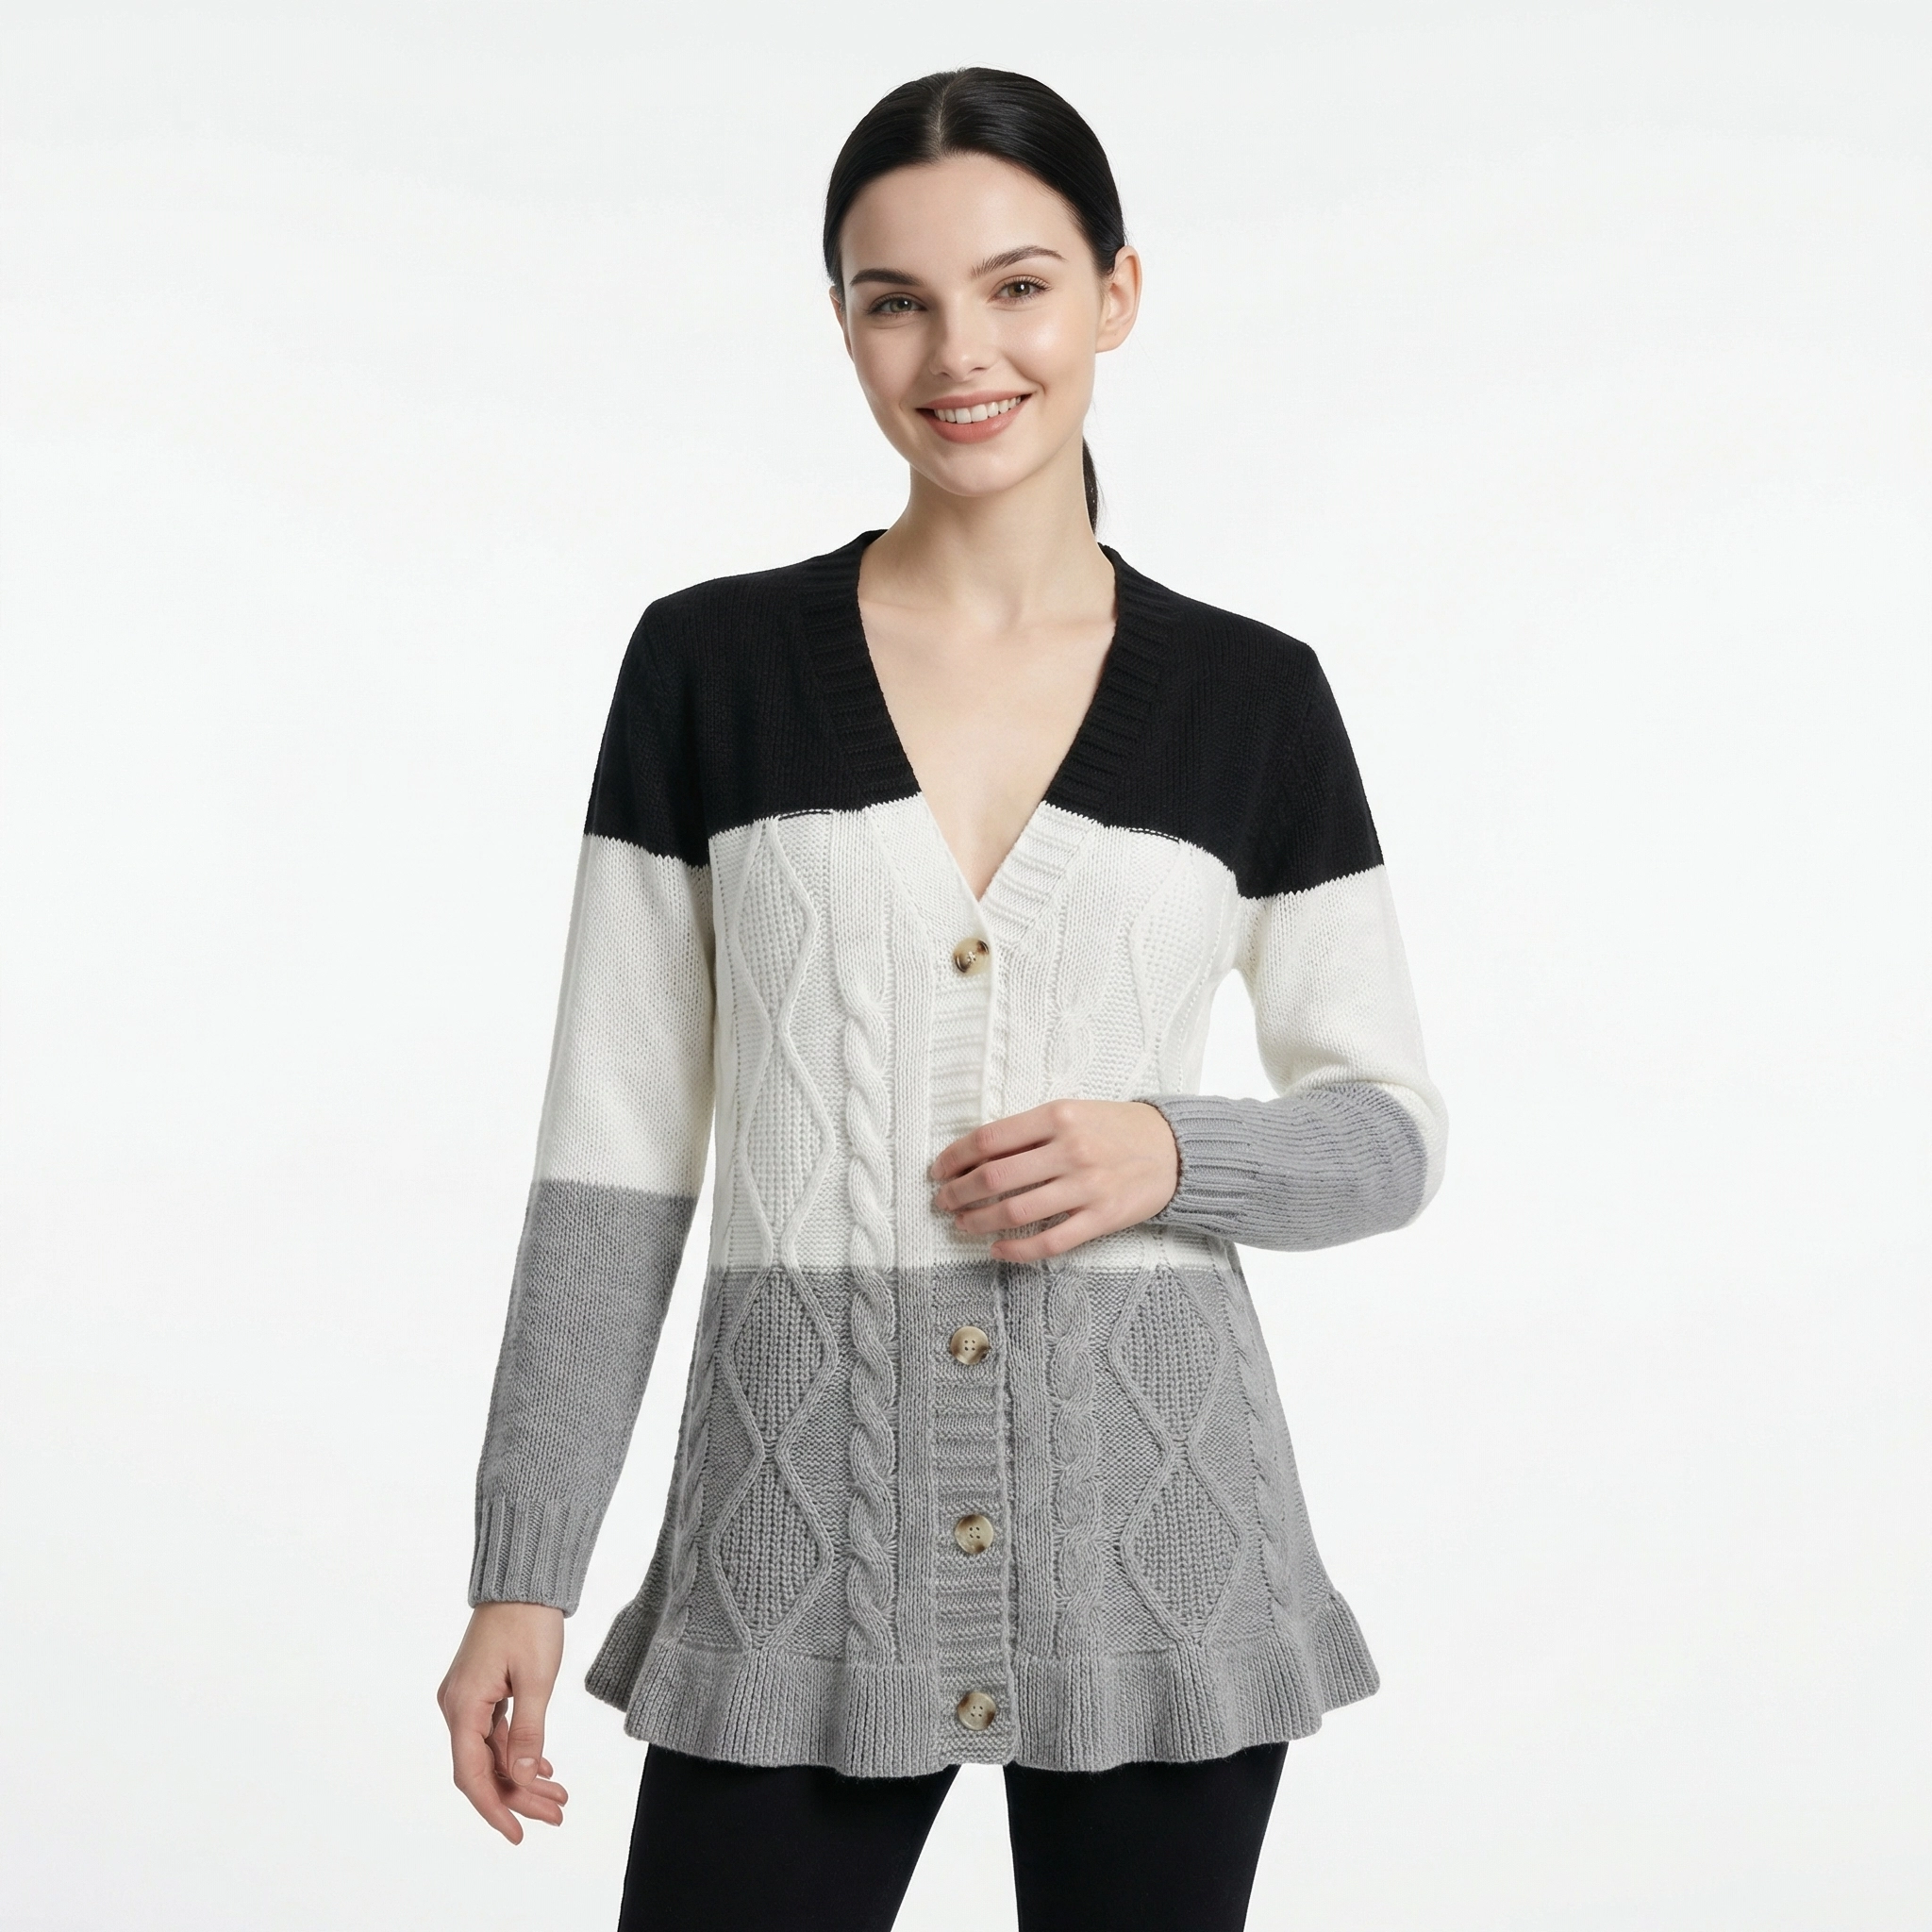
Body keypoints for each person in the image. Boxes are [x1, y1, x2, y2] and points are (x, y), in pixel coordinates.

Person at [436, 65, 1446, 1932]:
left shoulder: (1251, 698)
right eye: (894, 299)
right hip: (790, 1546)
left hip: (1159, 1553)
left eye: (1018, 286)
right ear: (841, 321)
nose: (958, 351)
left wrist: (1172, 1153)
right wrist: (527, 1563)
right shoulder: (712, 667)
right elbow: (613, 1156)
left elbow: (1387, 1135)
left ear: (1114, 296)